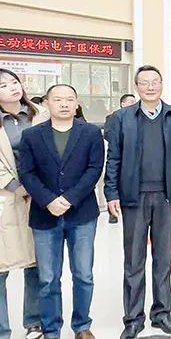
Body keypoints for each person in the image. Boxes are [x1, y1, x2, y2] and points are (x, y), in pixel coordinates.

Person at [104, 65, 171, 339]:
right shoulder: (121, 118)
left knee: (163, 257)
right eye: (144, 82)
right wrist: (111, 193)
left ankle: (162, 313)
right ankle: (133, 318)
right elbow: (114, 158)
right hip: (133, 197)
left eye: (155, 81)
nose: (150, 86)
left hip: (167, 196)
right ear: (136, 87)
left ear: (161, 84)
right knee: (133, 260)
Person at [18, 84, 105, 339]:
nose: (64, 104)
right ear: (47, 103)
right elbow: (27, 172)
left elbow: (94, 169)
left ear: (77, 104)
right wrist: (48, 200)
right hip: (44, 215)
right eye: (58, 99)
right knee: (47, 278)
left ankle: (82, 326)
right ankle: (51, 330)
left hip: (82, 213)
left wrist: (68, 199)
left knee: (84, 274)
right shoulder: (32, 136)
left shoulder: (91, 133)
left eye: (69, 99)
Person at [0, 68, 48, 339]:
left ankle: (34, 323)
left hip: (40, 197)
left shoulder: (41, 114)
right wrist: (15, 186)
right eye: (3, 85)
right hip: (6, 197)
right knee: (1, 267)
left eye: (14, 82)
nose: (12, 87)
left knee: (36, 263)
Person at [103, 94, 137, 225]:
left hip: (133, 157)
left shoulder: (138, 117)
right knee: (114, 183)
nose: (133, 104)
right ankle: (113, 213)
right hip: (119, 154)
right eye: (130, 101)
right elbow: (108, 134)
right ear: (122, 104)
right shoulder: (113, 117)